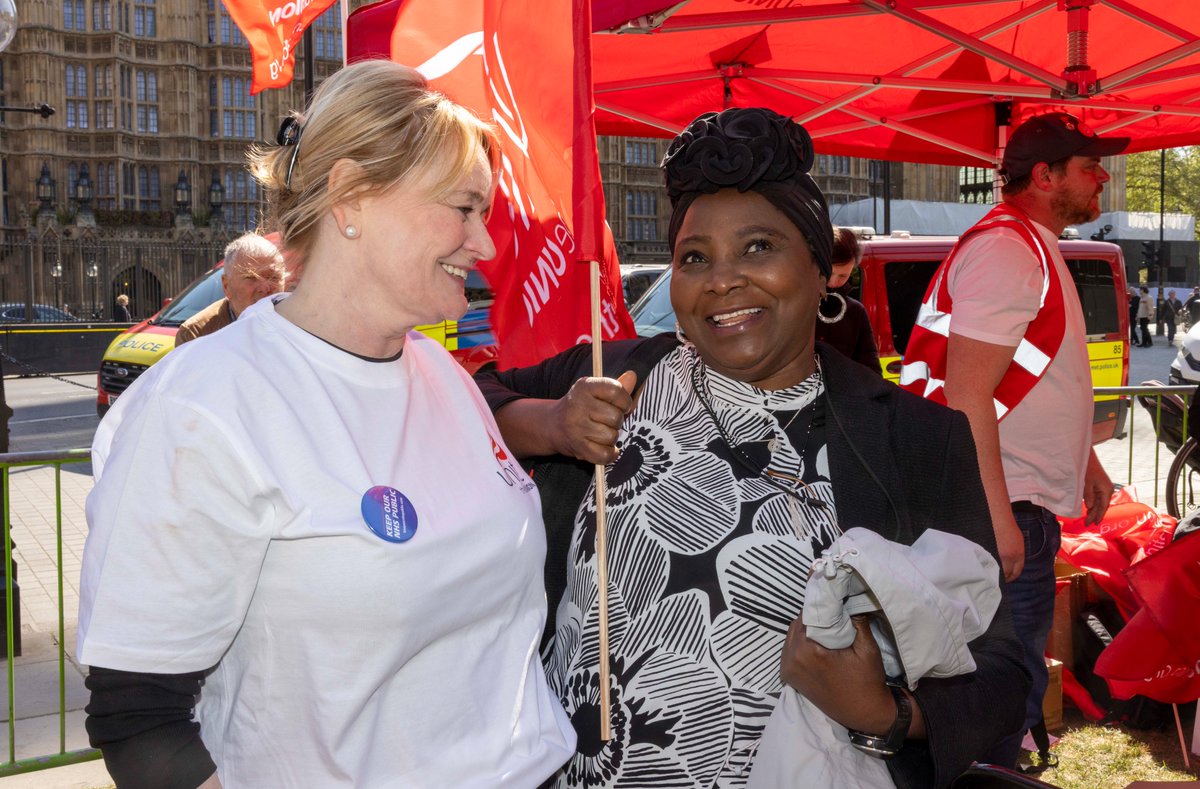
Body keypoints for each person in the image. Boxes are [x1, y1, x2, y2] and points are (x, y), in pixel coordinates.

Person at [477, 108, 1026, 788]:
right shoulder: (618, 375)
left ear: (820, 267)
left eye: (758, 247)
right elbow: (468, 400)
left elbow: (999, 670)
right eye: (694, 258)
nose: (721, 279)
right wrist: (552, 424)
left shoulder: (913, 438)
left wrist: (884, 714)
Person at [76, 60, 575, 787]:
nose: (486, 244)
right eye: (464, 208)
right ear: (351, 196)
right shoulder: (205, 404)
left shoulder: (443, 377)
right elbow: (141, 719)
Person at [900, 110, 1124, 768]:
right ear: (1044, 176)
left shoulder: (1025, 243)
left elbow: (1033, 376)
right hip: (1004, 508)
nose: (1103, 178)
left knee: (1006, 682)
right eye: (1090, 167)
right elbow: (968, 393)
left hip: (1012, 503)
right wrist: (999, 518)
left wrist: (1085, 459)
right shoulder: (1008, 249)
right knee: (999, 691)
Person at [174, 233, 286, 346]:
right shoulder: (195, 335)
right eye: (252, 278)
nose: (265, 288)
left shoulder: (294, 322)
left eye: (274, 277)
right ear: (226, 285)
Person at [815, 226, 881, 373]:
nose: (833, 282)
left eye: (843, 276)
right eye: (829, 273)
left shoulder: (855, 312)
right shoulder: (795, 305)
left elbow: (870, 367)